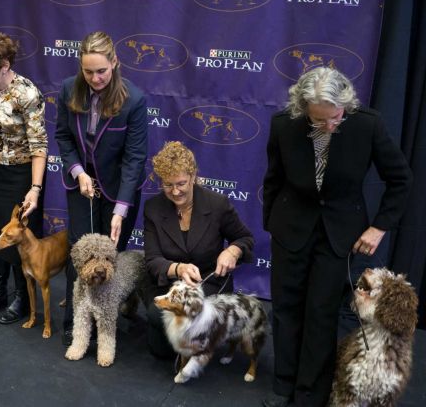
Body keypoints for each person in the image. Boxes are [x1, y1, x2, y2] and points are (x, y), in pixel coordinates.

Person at [262, 67, 412, 407]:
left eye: (336, 118)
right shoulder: (284, 124)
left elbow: (401, 179)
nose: (330, 126)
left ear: (346, 105)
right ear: (303, 109)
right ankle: (284, 386)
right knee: (286, 309)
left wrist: (378, 227)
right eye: (320, 120)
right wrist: (271, 221)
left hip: (340, 233)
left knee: (321, 312)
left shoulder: (367, 124)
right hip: (291, 227)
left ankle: (309, 394)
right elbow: (273, 178)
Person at [55, 31, 147, 346]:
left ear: (115, 63)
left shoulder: (134, 100)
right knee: (79, 256)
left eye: (101, 71)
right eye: (88, 71)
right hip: (81, 183)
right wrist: (78, 171)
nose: (95, 78)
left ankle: (106, 323)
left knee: (110, 260)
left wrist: (121, 210)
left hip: (119, 189)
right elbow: (63, 137)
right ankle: (75, 322)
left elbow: (135, 158)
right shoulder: (68, 89)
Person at [142, 141, 254, 358]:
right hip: (168, 285)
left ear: (193, 176)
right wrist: (179, 268)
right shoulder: (153, 208)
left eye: (181, 183)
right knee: (160, 348)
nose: (175, 191)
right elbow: (153, 260)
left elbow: (245, 238)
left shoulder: (217, 204)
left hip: (208, 281)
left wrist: (232, 251)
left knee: (192, 328)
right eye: (168, 185)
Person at [0, 31, 47, 324]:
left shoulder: (27, 94)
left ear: (5, 65)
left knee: (21, 236)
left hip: (24, 173)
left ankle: (24, 299)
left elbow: (40, 147)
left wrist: (35, 189)